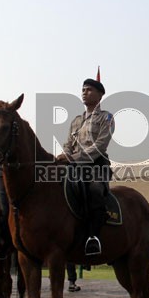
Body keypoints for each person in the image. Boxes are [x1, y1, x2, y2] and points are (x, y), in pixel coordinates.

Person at [56, 77, 114, 256]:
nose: (84, 92)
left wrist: (73, 158)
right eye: (83, 89)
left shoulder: (106, 118)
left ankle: (93, 237)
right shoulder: (76, 121)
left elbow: (100, 145)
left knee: (95, 190)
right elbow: (67, 144)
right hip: (74, 166)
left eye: (89, 89)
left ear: (100, 95)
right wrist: (65, 155)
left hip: (96, 166)